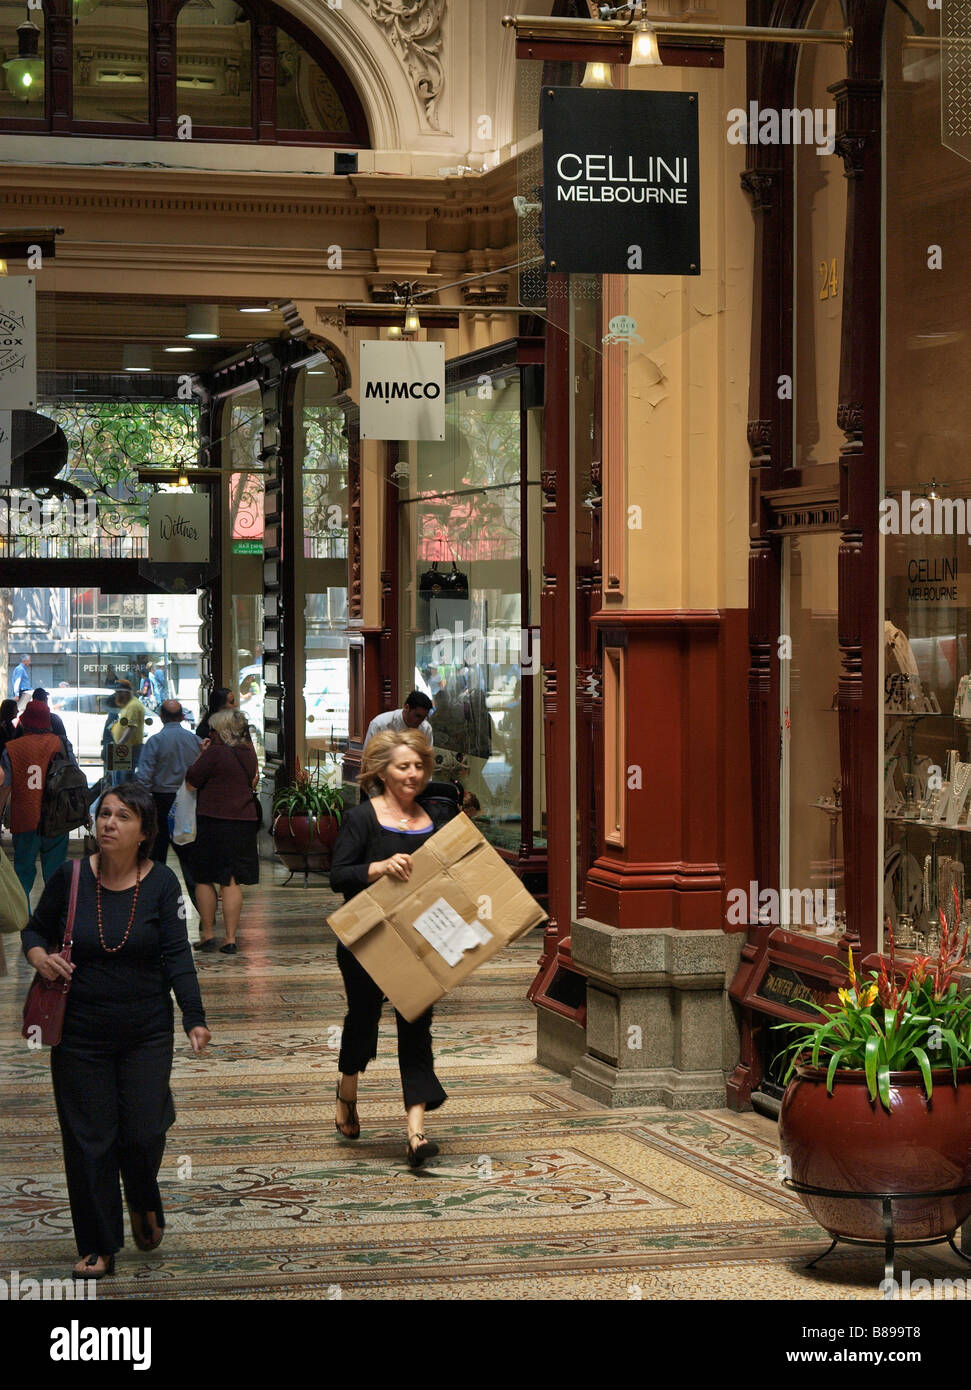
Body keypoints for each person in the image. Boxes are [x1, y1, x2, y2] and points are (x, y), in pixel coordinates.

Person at [21, 781, 210, 1280]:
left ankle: (143, 1194)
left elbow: (177, 955)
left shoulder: (163, 884)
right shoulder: (70, 877)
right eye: (104, 814)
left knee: (143, 1131)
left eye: (123, 817)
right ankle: (99, 1244)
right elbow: (34, 929)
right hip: (79, 1033)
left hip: (145, 1031)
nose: (109, 823)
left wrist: (193, 1016)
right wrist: (39, 958)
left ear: (144, 832)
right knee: (89, 1139)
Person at [329, 729, 458, 1167]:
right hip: (367, 942)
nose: (413, 773)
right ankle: (347, 1092)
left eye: (419, 766)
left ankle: (416, 1134)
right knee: (363, 1021)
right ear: (382, 771)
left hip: (419, 943)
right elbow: (338, 875)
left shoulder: (432, 821)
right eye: (404, 766)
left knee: (415, 1026)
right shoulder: (363, 818)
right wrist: (380, 867)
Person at [183, 708, 259, 955]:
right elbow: (254, 780)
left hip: (213, 820)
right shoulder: (249, 752)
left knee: (204, 877)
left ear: (222, 731)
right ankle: (229, 938)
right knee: (232, 880)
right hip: (244, 821)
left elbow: (191, 781)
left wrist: (202, 755)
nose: (211, 734)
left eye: (213, 730)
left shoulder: (214, 752)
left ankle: (207, 934)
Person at [0, 698, 77, 898]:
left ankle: (25, 922)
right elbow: (73, 776)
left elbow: (5, 787)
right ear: (47, 722)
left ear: (25, 722)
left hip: (25, 819)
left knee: (23, 873)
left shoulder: (12, 749)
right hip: (57, 817)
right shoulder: (61, 744)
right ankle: (53, 922)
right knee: (55, 874)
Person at [135, 700, 202, 865]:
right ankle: (195, 888)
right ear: (182, 716)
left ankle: (158, 888)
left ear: (161, 716)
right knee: (189, 852)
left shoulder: (155, 741)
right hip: (189, 800)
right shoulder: (196, 741)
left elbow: (144, 776)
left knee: (157, 851)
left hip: (161, 800)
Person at [362, 691, 434, 750]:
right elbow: (368, 758)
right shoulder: (380, 724)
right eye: (418, 716)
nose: (420, 721)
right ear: (406, 707)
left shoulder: (426, 729)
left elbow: (427, 759)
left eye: (424, 717)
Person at [107, 680, 146, 783]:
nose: (116, 695)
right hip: (124, 747)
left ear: (125, 693)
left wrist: (119, 745)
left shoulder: (133, 706)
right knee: (119, 778)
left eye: (118, 692)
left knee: (123, 780)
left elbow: (131, 728)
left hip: (128, 748)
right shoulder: (128, 705)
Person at [32, 688, 75, 759]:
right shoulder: (54, 718)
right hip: (52, 758)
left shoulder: (24, 720)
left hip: (30, 758)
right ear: (46, 700)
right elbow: (63, 740)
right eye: (46, 699)